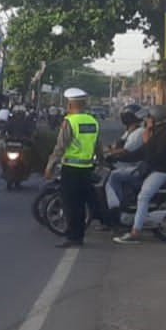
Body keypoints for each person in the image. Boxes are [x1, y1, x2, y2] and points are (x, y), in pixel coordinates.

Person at [44, 88, 103, 248]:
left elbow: (60, 147)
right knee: (82, 203)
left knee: (70, 204)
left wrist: (50, 166)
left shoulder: (69, 122)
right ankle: (79, 236)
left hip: (71, 168)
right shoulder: (92, 121)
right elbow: (98, 146)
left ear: (70, 104)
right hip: (87, 168)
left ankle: (73, 237)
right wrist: (102, 163)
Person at [114, 105, 166, 244]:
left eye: (149, 118)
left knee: (143, 196)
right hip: (152, 169)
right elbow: (139, 154)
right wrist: (116, 157)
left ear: (156, 120)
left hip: (162, 172)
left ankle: (136, 232)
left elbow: (154, 158)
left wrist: (146, 141)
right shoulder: (155, 133)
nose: (146, 120)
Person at [103, 104, 146, 229]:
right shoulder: (130, 131)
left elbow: (126, 150)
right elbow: (117, 146)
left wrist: (109, 154)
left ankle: (119, 208)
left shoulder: (139, 132)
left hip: (132, 166)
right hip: (125, 163)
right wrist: (107, 150)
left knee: (113, 178)